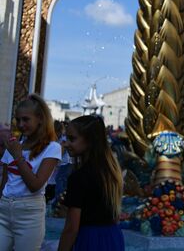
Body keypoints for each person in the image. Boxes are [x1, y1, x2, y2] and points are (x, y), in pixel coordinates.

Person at [0, 94, 62, 251]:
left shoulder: (52, 148)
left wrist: (18, 156)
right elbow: (5, 183)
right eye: (18, 119)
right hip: (4, 208)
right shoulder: (15, 146)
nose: (20, 124)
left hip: (29, 214)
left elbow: (35, 184)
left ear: (40, 119)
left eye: (26, 119)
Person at [58, 115, 124, 251]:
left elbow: (71, 228)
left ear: (89, 140)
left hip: (90, 239)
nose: (66, 143)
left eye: (72, 139)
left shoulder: (79, 177)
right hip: (113, 237)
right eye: (66, 138)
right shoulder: (111, 172)